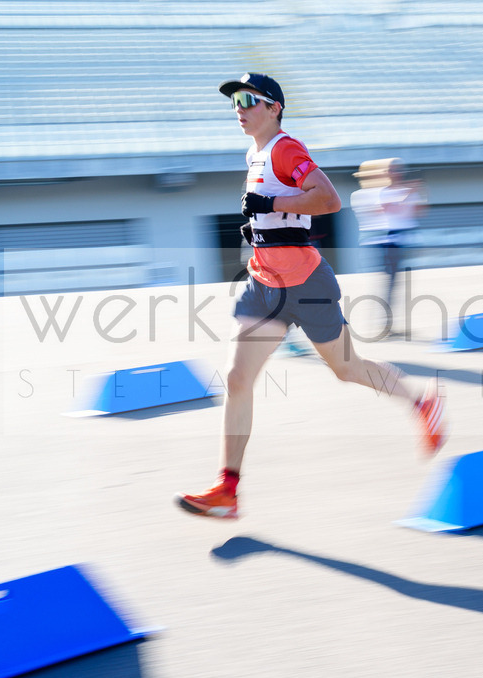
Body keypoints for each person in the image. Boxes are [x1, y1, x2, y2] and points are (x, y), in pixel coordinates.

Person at [175, 73, 447, 520]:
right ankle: (228, 489)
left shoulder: (285, 148)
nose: (238, 108)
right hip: (264, 283)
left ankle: (422, 403)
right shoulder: (255, 152)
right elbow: (282, 209)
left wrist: (270, 209)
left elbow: (328, 199)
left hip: (305, 284)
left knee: (347, 369)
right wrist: (259, 228)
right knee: (238, 378)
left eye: (248, 100)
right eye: (233, 103)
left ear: (274, 107)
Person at [350, 158, 426, 335]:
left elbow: (417, 212)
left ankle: (386, 322)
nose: (395, 173)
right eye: (391, 170)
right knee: (388, 282)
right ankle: (383, 323)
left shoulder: (402, 192)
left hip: (399, 240)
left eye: (397, 169)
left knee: (393, 283)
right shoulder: (366, 194)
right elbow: (385, 209)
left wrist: (415, 195)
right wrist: (407, 195)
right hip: (381, 242)